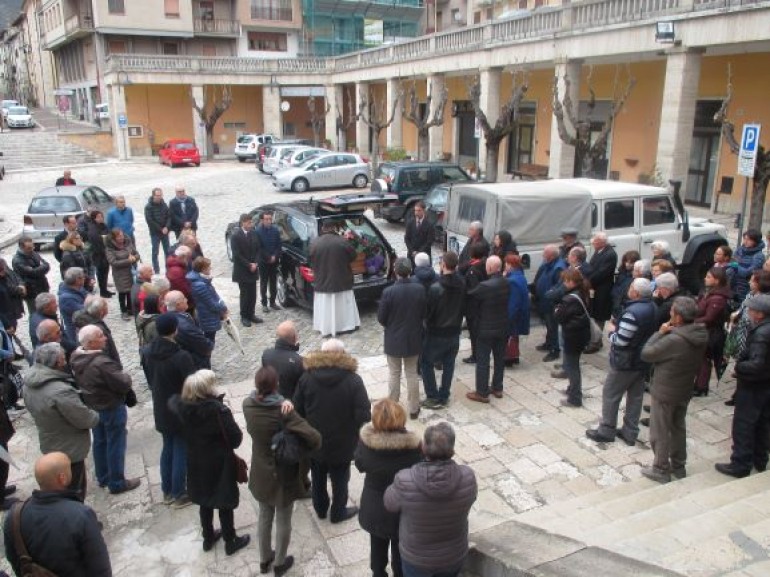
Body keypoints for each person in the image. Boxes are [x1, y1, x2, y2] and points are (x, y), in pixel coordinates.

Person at [243, 366, 321, 576]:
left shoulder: (247, 405)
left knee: (265, 516)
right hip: (282, 473)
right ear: (276, 385)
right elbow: (314, 438)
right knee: (284, 519)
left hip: (260, 470)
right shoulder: (284, 412)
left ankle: (264, 559)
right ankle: (279, 563)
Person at [171, 369, 251, 555]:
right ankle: (230, 540)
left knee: (204, 500)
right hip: (219, 463)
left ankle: (208, 537)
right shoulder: (218, 411)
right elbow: (235, 439)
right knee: (223, 500)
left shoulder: (183, 409)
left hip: (196, 460)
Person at [383, 422, 477, 577]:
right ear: (452, 450)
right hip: (453, 555)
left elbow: (389, 503)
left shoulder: (405, 480)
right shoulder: (468, 477)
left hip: (417, 559)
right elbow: (471, 498)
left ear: (423, 448)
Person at [293, 339, 371, 524]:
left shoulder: (307, 378)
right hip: (343, 442)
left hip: (315, 440)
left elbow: (298, 409)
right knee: (341, 477)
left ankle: (320, 509)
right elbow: (363, 415)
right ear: (342, 355)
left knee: (318, 475)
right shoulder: (354, 380)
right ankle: (338, 511)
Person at [3, 452, 112, 577]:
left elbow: (14, 560)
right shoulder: (81, 515)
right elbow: (100, 568)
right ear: (62, 478)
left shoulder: (14, 515)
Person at [639, 297, 707, 483]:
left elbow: (647, 353)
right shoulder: (700, 333)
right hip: (684, 388)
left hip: (665, 390)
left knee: (659, 430)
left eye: (672, 312)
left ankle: (661, 468)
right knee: (678, 427)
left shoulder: (675, 339)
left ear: (677, 317)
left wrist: (659, 333)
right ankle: (679, 465)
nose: (669, 314)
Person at [22, 343, 99, 500]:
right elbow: (85, 419)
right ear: (57, 362)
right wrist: (95, 415)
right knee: (75, 488)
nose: (66, 362)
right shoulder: (60, 391)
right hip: (69, 447)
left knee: (58, 487)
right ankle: (76, 519)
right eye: (63, 359)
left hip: (49, 440)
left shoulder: (29, 383)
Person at [355, 399, 422, 577]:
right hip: (403, 508)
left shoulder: (366, 443)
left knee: (377, 546)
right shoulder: (414, 447)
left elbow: (360, 465)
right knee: (400, 549)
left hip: (375, 507)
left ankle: (378, 573)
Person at [70, 325, 140, 495]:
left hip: (93, 405)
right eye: (101, 336)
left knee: (100, 441)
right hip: (110, 406)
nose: (105, 338)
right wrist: (127, 377)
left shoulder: (76, 356)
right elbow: (122, 382)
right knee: (116, 442)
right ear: (92, 342)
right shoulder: (102, 363)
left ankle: (103, 476)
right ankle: (116, 482)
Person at [586, 278, 657, 445]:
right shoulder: (653, 307)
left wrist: (611, 331)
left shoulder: (633, 313)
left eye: (631, 287)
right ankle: (630, 431)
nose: (629, 289)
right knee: (636, 396)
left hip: (625, 361)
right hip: (641, 360)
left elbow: (621, 340)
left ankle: (606, 430)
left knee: (611, 394)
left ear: (636, 293)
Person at [142, 313, 196, 508]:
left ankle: (167, 491)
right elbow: (192, 385)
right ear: (175, 330)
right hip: (179, 408)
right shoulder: (181, 356)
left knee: (168, 447)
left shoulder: (148, 351)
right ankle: (179, 493)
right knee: (181, 448)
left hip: (161, 406)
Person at [715, 294, 770, 478]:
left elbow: (756, 364)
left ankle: (740, 464)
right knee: (762, 422)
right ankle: (760, 459)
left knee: (744, 424)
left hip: (753, 385)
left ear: (760, 314)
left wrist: (739, 367)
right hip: (765, 384)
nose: (748, 312)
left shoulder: (761, 333)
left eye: (751, 309)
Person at [378, 258, 426, 419]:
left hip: (394, 339)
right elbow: (423, 312)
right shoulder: (419, 289)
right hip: (413, 337)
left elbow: (381, 318)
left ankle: (392, 408)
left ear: (396, 272)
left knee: (394, 373)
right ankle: (414, 408)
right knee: (412, 373)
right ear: (410, 271)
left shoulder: (388, 292)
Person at [420, 251, 465, 409]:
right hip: (454, 331)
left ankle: (432, 396)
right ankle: (444, 394)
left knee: (426, 363)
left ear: (444, 265)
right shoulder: (462, 283)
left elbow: (428, 312)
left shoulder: (435, 288)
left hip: (437, 333)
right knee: (449, 364)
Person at [466, 256, 510, 403]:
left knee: (483, 360)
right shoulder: (506, 282)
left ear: (490, 268)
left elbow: (471, 295)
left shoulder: (485, 286)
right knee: (499, 359)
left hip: (485, 328)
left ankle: (482, 392)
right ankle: (497, 387)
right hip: (503, 326)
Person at [310, 221, 360, 337]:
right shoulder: (342, 241)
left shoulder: (315, 243)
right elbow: (353, 256)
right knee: (343, 306)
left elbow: (311, 260)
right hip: (341, 279)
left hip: (322, 280)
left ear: (323, 228)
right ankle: (346, 326)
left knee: (326, 307)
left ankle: (325, 327)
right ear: (334, 228)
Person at [553, 268, 591, 408]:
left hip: (573, 337)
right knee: (572, 364)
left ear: (571, 282)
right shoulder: (582, 292)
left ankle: (575, 398)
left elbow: (559, 316)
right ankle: (572, 389)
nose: (563, 283)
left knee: (572, 367)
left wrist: (557, 309)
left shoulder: (569, 299)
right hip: (580, 335)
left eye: (565, 280)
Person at [693, 266, 731, 397]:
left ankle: (701, 386)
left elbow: (709, 318)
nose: (705, 278)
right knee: (700, 358)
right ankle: (699, 384)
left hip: (711, 333)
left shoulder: (718, 298)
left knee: (704, 359)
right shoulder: (709, 292)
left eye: (709, 277)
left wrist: (692, 321)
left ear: (717, 280)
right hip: (704, 330)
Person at [533, 245, 566, 363]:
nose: (542, 255)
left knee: (553, 326)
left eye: (545, 253)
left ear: (551, 256)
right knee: (548, 325)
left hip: (551, 303)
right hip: (544, 301)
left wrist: (550, 297)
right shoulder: (548, 264)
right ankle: (548, 343)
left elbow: (558, 287)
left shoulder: (558, 268)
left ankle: (555, 350)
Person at [164, 291, 213, 370]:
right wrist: (209, 346)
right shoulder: (184, 326)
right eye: (184, 299)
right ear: (178, 304)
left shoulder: (171, 316)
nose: (186, 300)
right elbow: (204, 345)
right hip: (195, 363)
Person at [230, 213, 263, 327]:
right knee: (245, 294)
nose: (251, 224)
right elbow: (237, 255)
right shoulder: (235, 236)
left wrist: (256, 263)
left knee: (253, 294)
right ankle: (244, 315)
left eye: (251, 222)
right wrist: (249, 265)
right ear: (243, 222)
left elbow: (258, 249)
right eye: (249, 222)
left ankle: (251, 314)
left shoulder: (254, 233)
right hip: (242, 270)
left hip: (253, 268)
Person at [187, 257, 228, 344]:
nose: (210, 268)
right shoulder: (200, 285)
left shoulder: (201, 281)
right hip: (207, 316)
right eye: (208, 267)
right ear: (203, 269)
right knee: (209, 340)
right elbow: (211, 304)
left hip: (208, 314)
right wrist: (223, 307)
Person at [73, 296, 121, 366]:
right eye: (106, 307)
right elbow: (105, 351)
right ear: (101, 312)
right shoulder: (97, 330)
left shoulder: (82, 320)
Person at [262, 320, 304, 400]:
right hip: (290, 403)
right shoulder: (299, 361)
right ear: (295, 337)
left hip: (272, 399)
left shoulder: (266, 354)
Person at [461, 243, 488, 365]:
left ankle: (476, 355)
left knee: (474, 332)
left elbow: (473, 290)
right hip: (483, 306)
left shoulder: (473, 270)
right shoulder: (485, 264)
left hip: (473, 307)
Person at [105, 228, 141, 320]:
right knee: (122, 292)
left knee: (130, 291)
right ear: (114, 238)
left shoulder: (128, 243)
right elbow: (113, 262)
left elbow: (136, 254)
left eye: (122, 235)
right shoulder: (110, 248)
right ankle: (123, 311)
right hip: (120, 273)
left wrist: (134, 258)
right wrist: (128, 261)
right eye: (119, 236)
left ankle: (130, 308)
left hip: (130, 271)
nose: (121, 238)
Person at [586, 232, 618, 335]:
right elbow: (591, 267)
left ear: (602, 242)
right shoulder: (598, 251)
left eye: (595, 241)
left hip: (603, 290)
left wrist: (588, 280)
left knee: (600, 316)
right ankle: (594, 339)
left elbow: (601, 273)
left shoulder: (610, 254)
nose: (593, 243)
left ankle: (596, 341)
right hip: (595, 289)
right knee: (594, 314)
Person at [12, 236, 50, 316]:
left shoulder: (33, 253)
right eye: (29, 248)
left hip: (43, 286)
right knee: (35, 314)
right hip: (31, 292)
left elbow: (47, 265)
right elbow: (33, 272)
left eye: (32, 246)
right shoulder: (17, 261)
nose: (32, 249)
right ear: (21, 247)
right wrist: (41, 267)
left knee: (47, 310)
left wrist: (40, 268)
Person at [503, 253, 529, 367]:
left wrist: (508, 318)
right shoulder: (520, 276)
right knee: (514, 336)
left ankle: (509, 358)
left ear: (510, 265)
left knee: (510, 336)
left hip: (514, 315)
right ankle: (514, 357)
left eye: (506, 264)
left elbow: (513, 303)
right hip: (520, 313)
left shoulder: (512, 281)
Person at [80, 210, 112, 298]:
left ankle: (105, 289)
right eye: (99, 217)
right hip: (98, 254)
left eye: (102, 216)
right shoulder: (93, 228)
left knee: (106, 271)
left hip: (105, 252)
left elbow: (109, 234)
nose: (101, 218)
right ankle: (103, 291)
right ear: (94, 218)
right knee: (101, 272)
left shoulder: (103, 226)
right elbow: (95, 241)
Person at [254, 211, 282, 313]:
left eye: (270, 219)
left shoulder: (275, 230)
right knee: (264, 283)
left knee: (273, 282)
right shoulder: (258, 231)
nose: (269, 221)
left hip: (274, 261)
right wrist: (269, 257)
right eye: (267, 219)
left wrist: (275, 256)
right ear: (262, 220)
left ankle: (273, 302)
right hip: (263, 261)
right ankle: (264, 303)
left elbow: (279, 244)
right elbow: (259, 247)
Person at [733, 229, 766, 303]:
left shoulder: (758, 256)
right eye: (744, 239)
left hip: (746, 286)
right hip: (734, 282)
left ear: (755, 241)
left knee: (743, 304)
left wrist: (736, 266)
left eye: (749, 240)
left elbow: (747, 273)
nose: (745, 241)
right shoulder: (740, 249)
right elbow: (733, 260)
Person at [145, 187, 172, 274]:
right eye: (157, 195)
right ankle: (157, 271)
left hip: (165, 232)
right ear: (153, 195)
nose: (159, 197)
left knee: (167, 251)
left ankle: (168, 270)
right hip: (155, 233)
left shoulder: (164, 204)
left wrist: (167, 227)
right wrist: (161, 229)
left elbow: (169, 216)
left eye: (160, 195)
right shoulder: (148, 207)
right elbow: (150, 221)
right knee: (155, 252)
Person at [58, 267, 88, 343]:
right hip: (76, 332)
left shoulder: (78, 288)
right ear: (78, 280)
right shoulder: (66, 298)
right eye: (83, 277)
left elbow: (88, 296)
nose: (85, 279)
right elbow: (85, 312)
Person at [611, 250, 641, 323]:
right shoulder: (622, 272)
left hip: (624, 305)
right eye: (626, 261)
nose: (628, 264)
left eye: (631, 262)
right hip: (616, 304)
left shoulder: (636, 276)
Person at [0, 259, 26, 332]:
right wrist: (7, 325)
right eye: (1, 271)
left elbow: (14, 275)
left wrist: (21, 285)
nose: (4, 272)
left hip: (12, 311)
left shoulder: (2, 265)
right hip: (5, 317)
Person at [166, 245, 194, 311]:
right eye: (188, 258)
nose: (189, 261)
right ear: (183, 257)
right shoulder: (176, 271)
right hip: (182, 302)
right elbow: (183, 288)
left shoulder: (177, 266)